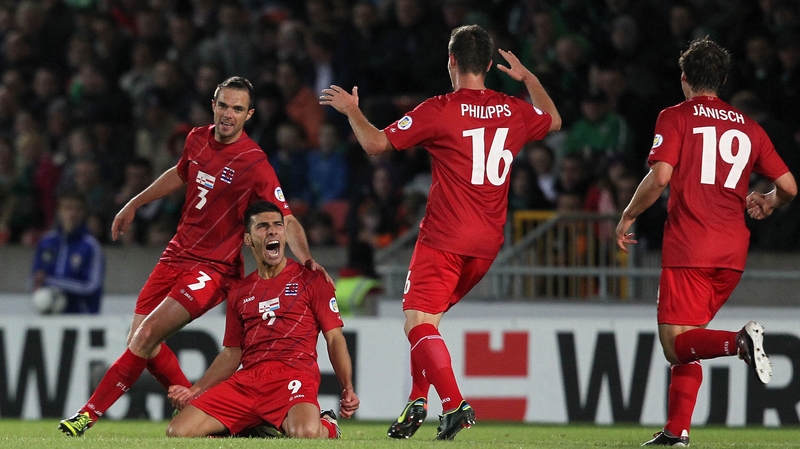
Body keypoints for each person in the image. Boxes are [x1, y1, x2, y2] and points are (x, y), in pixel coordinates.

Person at [321, 24, 561, 440]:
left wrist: (352, 112)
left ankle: (454, 404)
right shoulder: (513, 109)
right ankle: (418, 398)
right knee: (427, 320)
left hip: (446, 236)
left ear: (450, 61)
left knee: (416, 321)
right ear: (488, 64)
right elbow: (554, 120)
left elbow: (376, 145)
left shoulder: (440, 109)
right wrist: (529, 80)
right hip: (487, 244)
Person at [59, 76, 329, 436]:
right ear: (213, 104)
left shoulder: (254, 162)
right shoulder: (197, 138)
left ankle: (86, 415)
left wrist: (307, 257)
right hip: (176, 254)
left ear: (248, 114)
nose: (228, 114)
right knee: (140, 341)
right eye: (223, 105)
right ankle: (209, 407)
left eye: (237, 109)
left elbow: (287, 216)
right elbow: (181, 172)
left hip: (214, 267)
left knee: (147, 335)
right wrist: (135, 202)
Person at [615, 37, 797, 446]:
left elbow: (660, 177)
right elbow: (788, 185)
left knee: (675, 346)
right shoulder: (748, 126)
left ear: (684, 79)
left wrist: (628, 214)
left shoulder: (675, 116)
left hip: (690, 246)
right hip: (732, 252)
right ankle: (676, 431)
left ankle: (740, 342)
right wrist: (769, 201)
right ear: (724, 80)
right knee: (691, 340)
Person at [165, 201, 359, 438]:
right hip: (248, 381)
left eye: (278, 225)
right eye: (263, 226)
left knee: (306, 434)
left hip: (294, 375)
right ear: (248, 240)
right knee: (178, 431)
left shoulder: (311, 280)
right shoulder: (240, 291)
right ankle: (251, 426)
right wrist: (194, 391)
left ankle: (327, 424)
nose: (272, 231)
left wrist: (347, 387)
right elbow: (231, 353)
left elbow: (334, 338)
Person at [31, 190, 104, 314]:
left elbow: (92, 286)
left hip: (82, 318)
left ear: (83, 213)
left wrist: (52, 282)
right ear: (59, 212)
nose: (72, 214)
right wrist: (37, 282)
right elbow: (34, 277)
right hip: (49, 314)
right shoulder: (47, 242)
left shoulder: (91, 246)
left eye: (77, 209)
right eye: (67, 209)